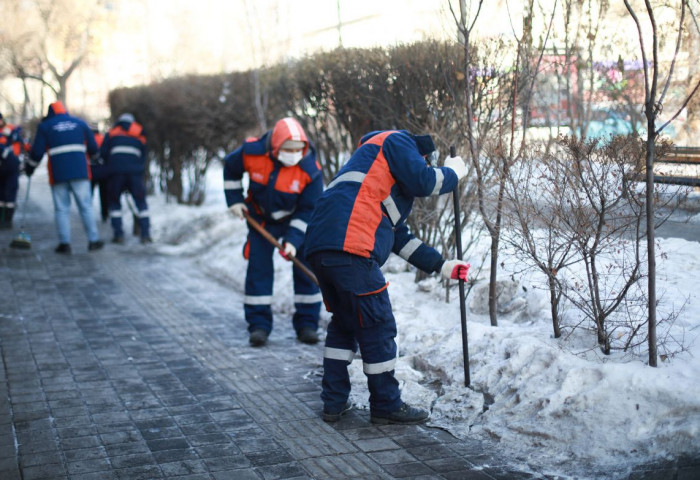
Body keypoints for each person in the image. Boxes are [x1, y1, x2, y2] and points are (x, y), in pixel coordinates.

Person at [304, 129, 470, 425]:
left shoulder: (371, 181)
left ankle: (334, 402)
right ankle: (386, 404)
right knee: (378, 324)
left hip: (323, 247)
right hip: (350, 246)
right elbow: (425, 181)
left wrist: (442, 266)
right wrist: (453, 173)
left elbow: (399, 239)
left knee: (346, 323)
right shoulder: (396, 140)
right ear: (419, 156)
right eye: (422, 162)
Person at [224, 117, 323, 347]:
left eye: (298, 150)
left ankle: (307, 324)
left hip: (295, 218)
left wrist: (293, 239)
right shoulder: (252, 152)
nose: (293, 155)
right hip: (260, 218)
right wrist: (235, 200)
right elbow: (230, 168)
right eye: (288, 150)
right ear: (276, 147)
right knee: (259, 269)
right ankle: (258, 326)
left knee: (305, 266)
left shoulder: (310, 169)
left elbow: (310, 209)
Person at [25, 101, 104, 254]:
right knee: (86, 206)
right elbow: (93, 148)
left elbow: (37, 152)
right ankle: (93, 240)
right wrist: (96, 158)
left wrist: (30, 167)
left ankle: (64, 244)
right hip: (80, 172)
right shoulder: (80, 123)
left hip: (58, 173)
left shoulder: (45, 126)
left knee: (61, 209)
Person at [100, 113, 152, 244]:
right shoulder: (140, 134)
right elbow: (144, 155)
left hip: (116, 173)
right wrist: (138, 168)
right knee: (141, 203)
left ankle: (119, 235)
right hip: (134, 173)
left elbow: (103, 153)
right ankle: (145, 234)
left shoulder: (112, 133)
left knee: (114, 202)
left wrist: (111, 166)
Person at [0, 113, 27, 229]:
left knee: (10, 192)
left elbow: (20, 141)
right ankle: (2, 219)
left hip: (11, 165)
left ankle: (8, 220)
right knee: (1, 194)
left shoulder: (11, 129)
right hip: (2, 166)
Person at [89, 127, 110, 223]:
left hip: (91, 171)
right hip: (103, 172)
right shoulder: (103, 138)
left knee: (89, 195)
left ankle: (87, 214)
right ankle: (105, 214)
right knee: (104, 195)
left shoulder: (88, 139)